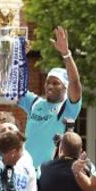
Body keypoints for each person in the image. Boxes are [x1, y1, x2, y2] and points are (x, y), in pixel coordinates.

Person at [18, 26, 82, 168]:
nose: (50, 86)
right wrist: (19, 57)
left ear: (65, 88)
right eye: (48, 82)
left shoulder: (67, 109)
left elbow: (75, 83)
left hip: (49, 174)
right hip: (26, 173)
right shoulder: (35, 103)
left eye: (56, 83)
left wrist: (66, 54)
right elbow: (13, 87)